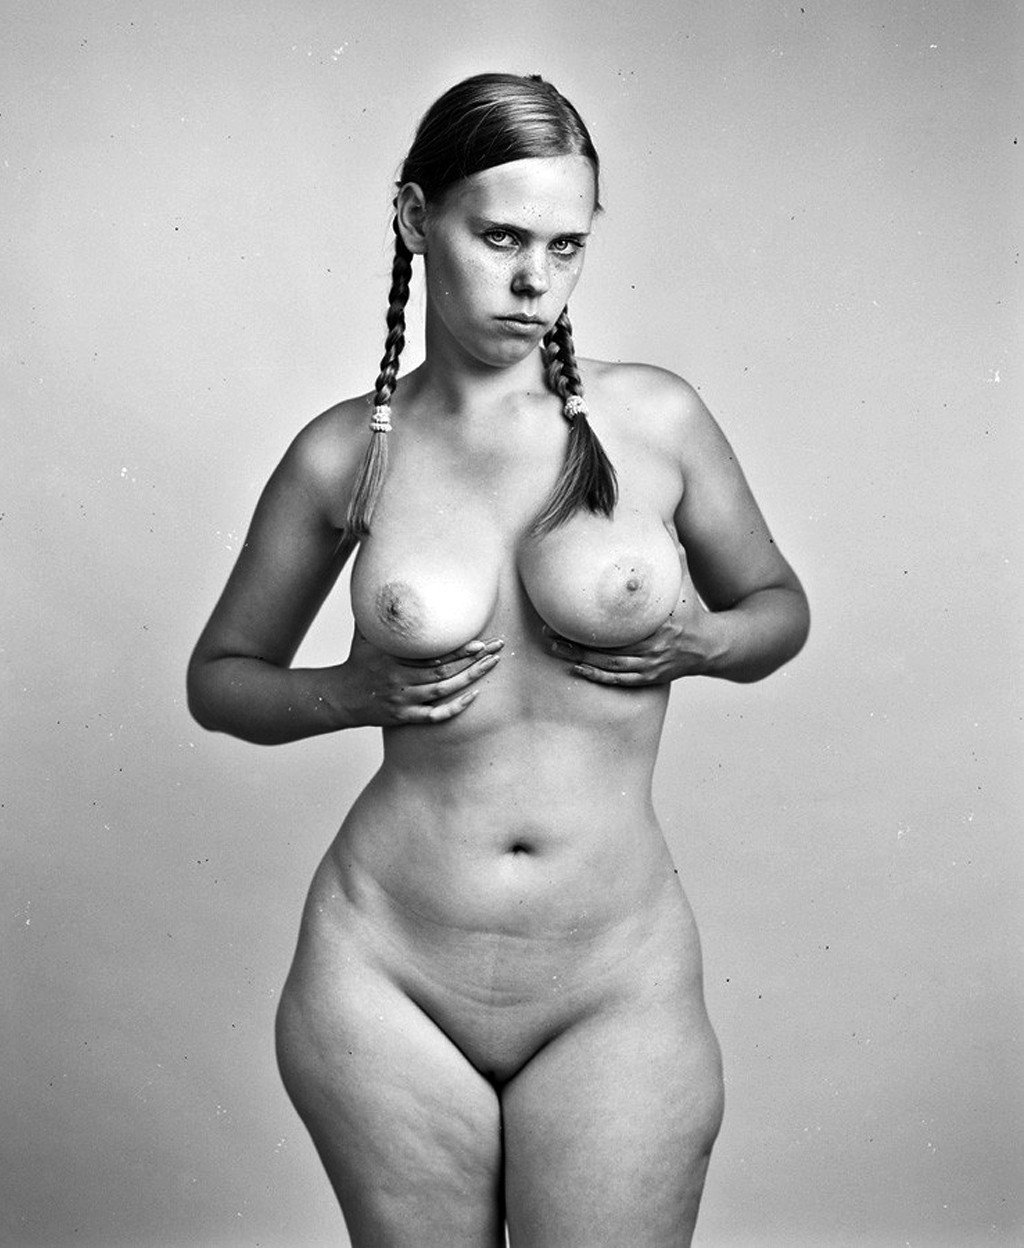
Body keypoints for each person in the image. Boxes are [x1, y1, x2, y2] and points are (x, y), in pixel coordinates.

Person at [187, 71, 809, 1248]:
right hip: (386, 975)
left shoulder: (656, 422)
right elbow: (221, 678)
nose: (536, 281)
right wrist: (347, 693)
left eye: (566, 247)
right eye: (503, 237)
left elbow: (780, 607)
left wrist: (708, 641)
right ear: (417, 220)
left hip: (611, 976)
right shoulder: (344, 453)